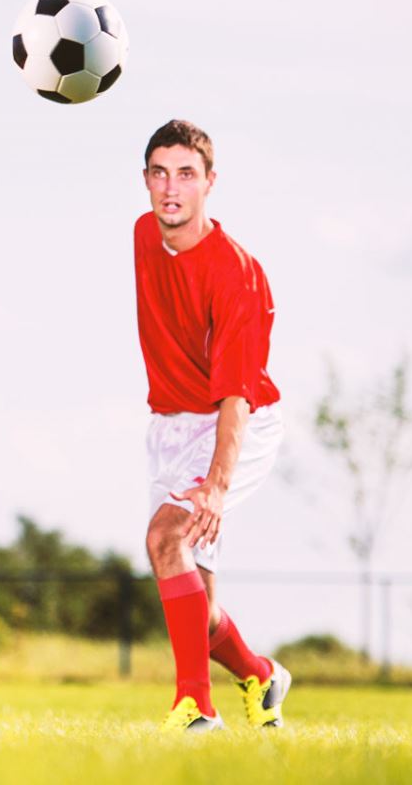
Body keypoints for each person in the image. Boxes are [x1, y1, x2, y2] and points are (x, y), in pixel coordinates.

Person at [134, 119, 291, 731]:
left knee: (164, 539)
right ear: (145, 181)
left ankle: (196, 709)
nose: (172, 189)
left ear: (210, 183)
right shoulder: (145, 232)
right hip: (168, 427)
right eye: (159, 173)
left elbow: (237, 397)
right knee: (195, 606)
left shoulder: (236, 276)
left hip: (235, 421)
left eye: (187, 175)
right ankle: (259, 675)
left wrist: (217, 486)